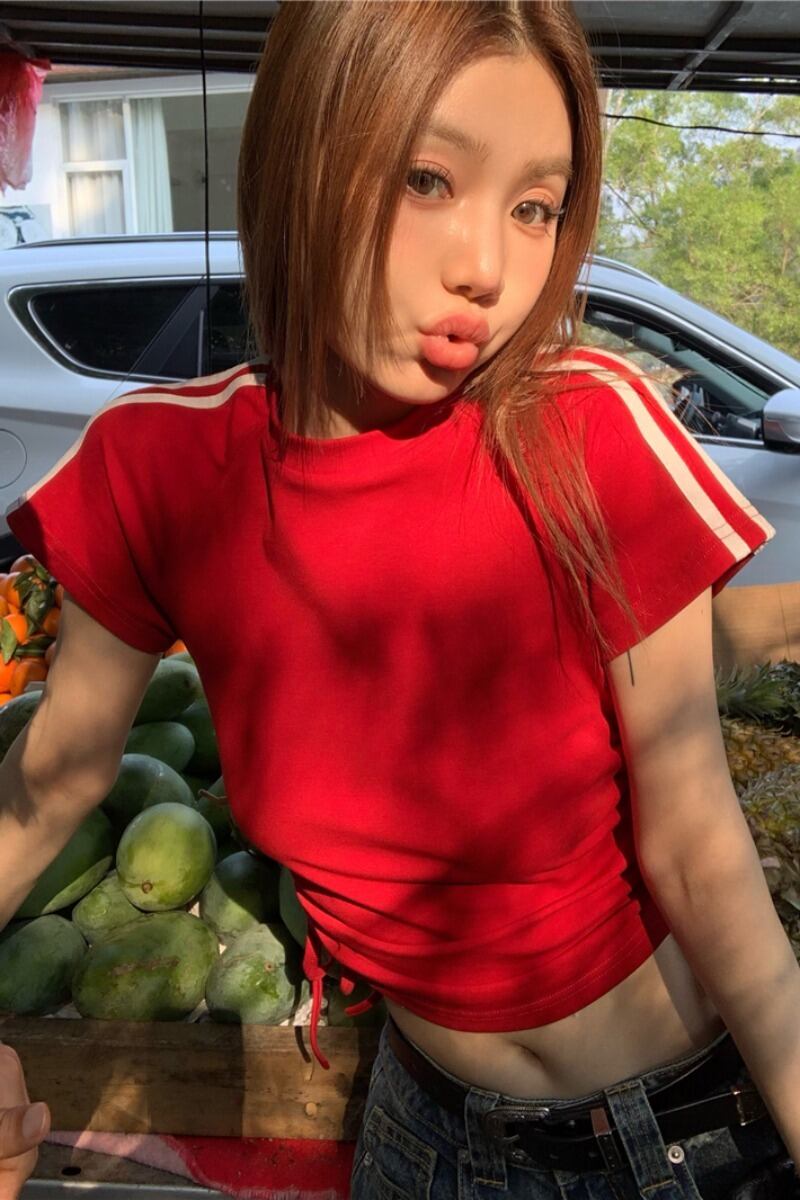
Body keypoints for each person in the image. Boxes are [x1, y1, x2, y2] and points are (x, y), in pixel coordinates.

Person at [0, 3, 798, 1198]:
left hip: (665, 1136)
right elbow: (53, 780)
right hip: (415, 1131)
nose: (487, 268)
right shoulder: (160, 469)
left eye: (533, 207)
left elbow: (695, 842)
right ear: (302, 151)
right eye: (428, 179)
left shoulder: (586, 431)